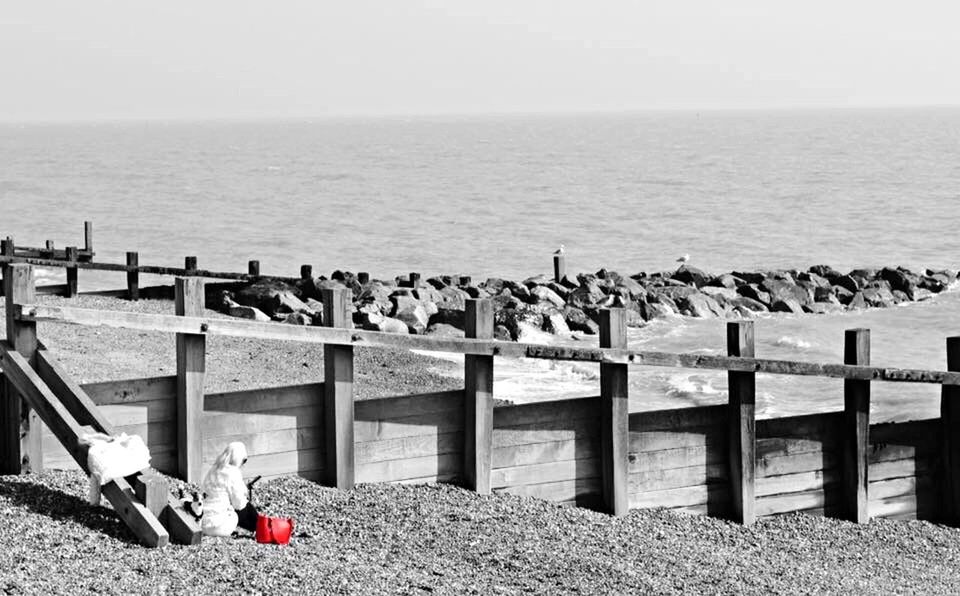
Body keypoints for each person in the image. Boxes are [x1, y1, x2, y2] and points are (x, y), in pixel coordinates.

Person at [200, 442, 259, 537]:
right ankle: (259, 527)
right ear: (239, 459)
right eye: (244, 461)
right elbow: (239, 504)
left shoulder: (213, 469)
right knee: (242, 508)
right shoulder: (233, 472)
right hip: (219, 527)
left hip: (202, 523)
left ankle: (258, 526)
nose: (243, 464)